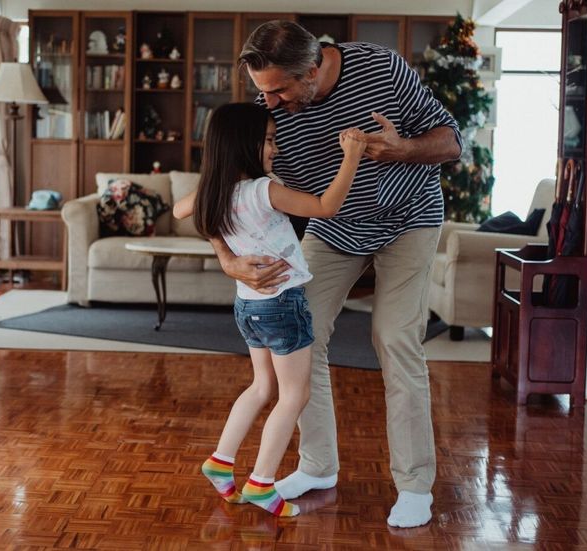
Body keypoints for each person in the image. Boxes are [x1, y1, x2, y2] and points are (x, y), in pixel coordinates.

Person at [208, 21, 464, 528]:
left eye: (280, 90)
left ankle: (414, 485)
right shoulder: (268, 101)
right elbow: (220, 186)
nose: (271, 104)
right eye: (264, 92)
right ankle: (318, 467)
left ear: (313, 69)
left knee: (394, 338)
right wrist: (227, 259)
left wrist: (403, 150)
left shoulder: (382, 69)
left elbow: (452, 142)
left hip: (407, 218)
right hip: (333, 226)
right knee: (300, 341)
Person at [173, 102, 367, 517]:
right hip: (283, 304)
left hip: (249, 306)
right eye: (269, 140)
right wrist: (351, 157)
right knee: (294, 395)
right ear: (244, 144)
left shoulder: (215, 190)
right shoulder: (264, 190)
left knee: (262, 387)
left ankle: (221, 461)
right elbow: (326, 207)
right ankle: (262, 482)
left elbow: (177, 209)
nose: (275, 149)